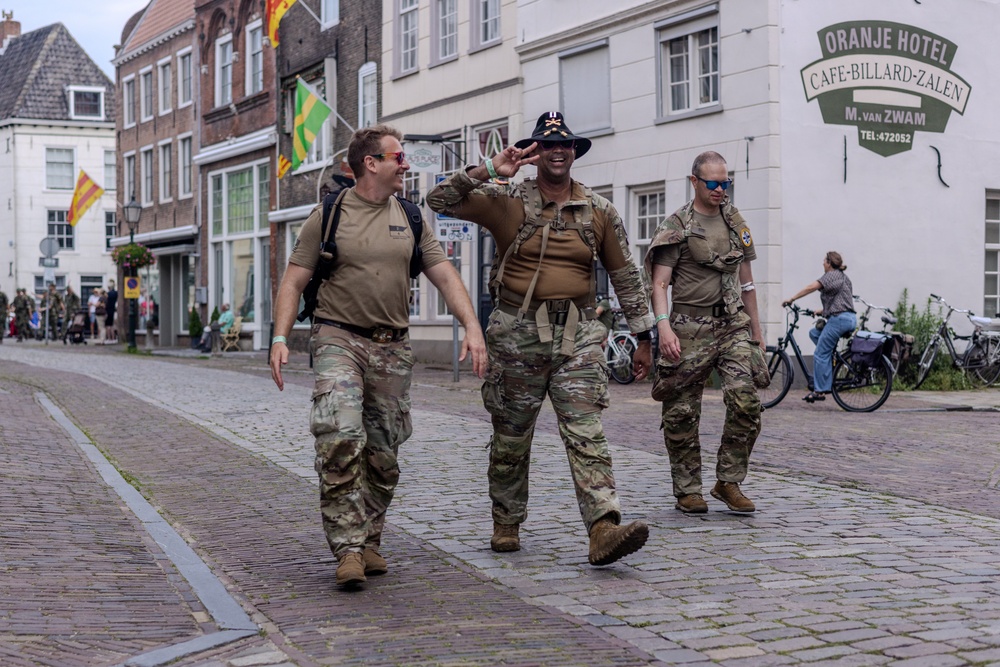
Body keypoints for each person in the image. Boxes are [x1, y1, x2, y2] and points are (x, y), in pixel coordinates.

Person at [427, 111, 654, 567]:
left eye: (565, 145)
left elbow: (625, 273)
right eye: (547, 145)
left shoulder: (599, 210)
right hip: (517, 335)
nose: (557, 151)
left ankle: (603, 527)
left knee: (586, 430)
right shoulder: (507, 202)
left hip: (580, 336)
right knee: (511, 436)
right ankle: (506, 521)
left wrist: (644, 334)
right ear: (535, 154)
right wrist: (492, 169)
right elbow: (439, 201)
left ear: (574, 153)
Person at [269, 124, 487, 588]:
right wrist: (280, 337)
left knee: (384, 453)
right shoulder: (327, 214)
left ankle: (370, 539)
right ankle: (347, 548)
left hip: (393, 346)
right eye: (398, 158)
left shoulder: (409, 217)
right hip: (338, 338)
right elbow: (293, 281)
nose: (405, 165)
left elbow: (444, 273)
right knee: (340, 436)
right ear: (371, 163)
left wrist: (472, 325)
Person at [645, 151, 763, 515]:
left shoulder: (734, 223)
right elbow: (659, 283)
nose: (719, 188)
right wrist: (663, 326)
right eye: (712, 182)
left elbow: (747, 285)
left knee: (746, 401)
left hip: (731, 325)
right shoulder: (677, 224)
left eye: (725, 182)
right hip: (687, 328)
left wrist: (757, 334)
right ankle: (687, 489)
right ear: (694, 182)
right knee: (681, 412)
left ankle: (728, 481)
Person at [782, 251, 855, 402]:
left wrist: (792, 298)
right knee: (814, 333)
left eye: (824, 260)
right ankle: (829, 363)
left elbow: (811, 287)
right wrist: (821, 311)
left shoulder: (831, 275)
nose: (822, 263)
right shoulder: (843, 277)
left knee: (820, 353)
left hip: (839, 320)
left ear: (829, 263)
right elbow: (841, 301)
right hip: (848, 318)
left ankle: (820, 391)